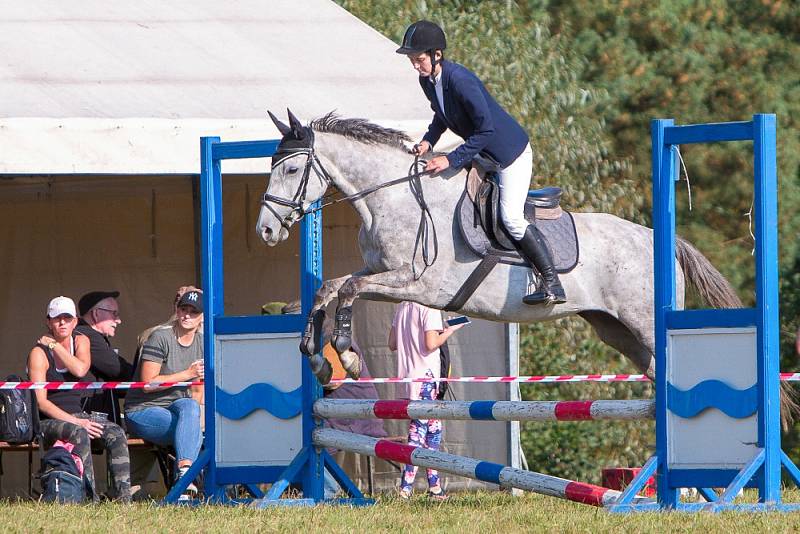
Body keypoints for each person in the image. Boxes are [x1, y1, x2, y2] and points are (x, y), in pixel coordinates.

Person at [396, 20, 566, 305]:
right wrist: (428, 142)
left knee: (511, 217)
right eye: (412, 60)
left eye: (419, 59)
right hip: (484, 155)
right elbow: (441, 116)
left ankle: (552, 283)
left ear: (437, 55)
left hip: (510, 155)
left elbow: (486, 131)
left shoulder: (460, 80)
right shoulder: (428, 81)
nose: (415, 65)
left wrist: (450, 159)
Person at [27, 296, 131, 501]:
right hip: (50, 420)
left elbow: (80, 369)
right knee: (79, 432)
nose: (63, 323)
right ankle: (88, 498)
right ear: (48, 322)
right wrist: (76, 421)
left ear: (76, 321)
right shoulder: (38, 354)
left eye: (67, 318)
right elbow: (41, 402)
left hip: (80, 415)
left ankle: (122, 499)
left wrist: (56, 346)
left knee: (116, 432)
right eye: (57, 319)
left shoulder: (81, 340)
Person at [124, 289, 204, 499]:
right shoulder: (159, 337)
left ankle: (185, 473)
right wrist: (188, 373)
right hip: (143, 409)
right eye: (183, 309)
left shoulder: (203, 342)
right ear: (176, 311)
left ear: (202, 317)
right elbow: (147, 384)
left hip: (179, 407)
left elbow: (203, 389)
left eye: (193, 312)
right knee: (190, 429)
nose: (187, 315)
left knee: (191, 408)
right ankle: (187, 480)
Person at [388, 301, 463, 500]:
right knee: (418, 433)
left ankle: (435, 487)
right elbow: (431, 344)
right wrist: (450, 330)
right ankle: (405, 488)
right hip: (426, 377)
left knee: (433, 432)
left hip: (407, 377)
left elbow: (392, 344)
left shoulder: (402, 307)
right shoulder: (429, 308)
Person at [75, 291, 135, 426]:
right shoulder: (87, 335)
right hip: (88, 413)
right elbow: (117, 369)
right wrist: (145, 376)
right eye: (114, 313)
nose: (118, 320)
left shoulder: (86, 333)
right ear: (96, 314)